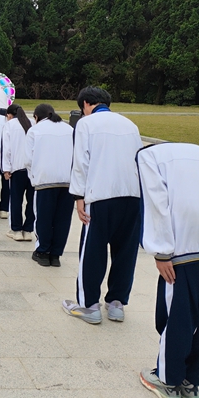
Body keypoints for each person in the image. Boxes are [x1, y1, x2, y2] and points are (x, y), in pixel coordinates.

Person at [63, 86, 143, 325]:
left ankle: (89, 305)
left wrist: (78, 197)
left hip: (100, 196)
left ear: (86, 104)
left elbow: (81, 162)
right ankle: (117, 303)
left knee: (93, 251)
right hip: (132, 195)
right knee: (125, 251)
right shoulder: (130, 124)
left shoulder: (86, 125)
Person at [137, 143, 199, 398]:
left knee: (177, 314)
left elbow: (156, 203)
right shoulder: (193, 153)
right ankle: (192, 379)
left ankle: (168, 378)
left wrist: (161, 252)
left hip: (182, 248)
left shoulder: (148, 157)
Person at [25, 104, 74, 267]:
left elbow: (28, 159)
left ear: (36, 117)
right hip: (68, 181)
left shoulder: (35, 131)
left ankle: (43, 251)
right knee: (63, 219)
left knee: (44, 218)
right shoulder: (69, 129)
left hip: (45, 180)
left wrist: (33, 178)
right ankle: (56, 254)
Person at [1, 104, 34, 242]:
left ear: (9, 115)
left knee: (16, 200)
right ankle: (28, 230)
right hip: (32, 169)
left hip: (17, 168)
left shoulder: (9, 125)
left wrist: (6, 168)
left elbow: (6, 149)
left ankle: (16, 230)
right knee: (31, 201)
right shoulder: (31, 123)